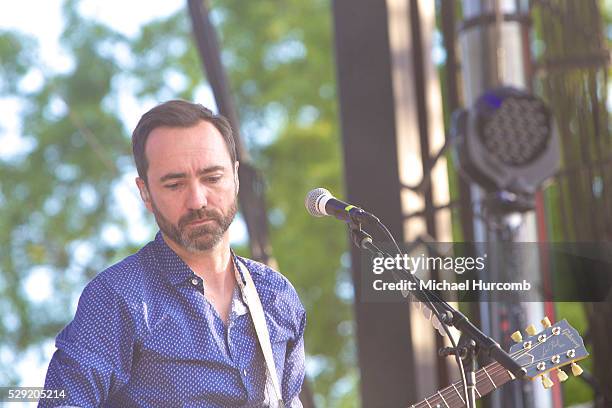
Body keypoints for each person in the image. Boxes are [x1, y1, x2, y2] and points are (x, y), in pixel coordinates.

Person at [40, 100, 306, 407]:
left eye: (212, 178)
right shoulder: (117, 297)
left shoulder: (277, 296)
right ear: (146, 193)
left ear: (235, 177)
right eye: (175, 184)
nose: (197, 200)